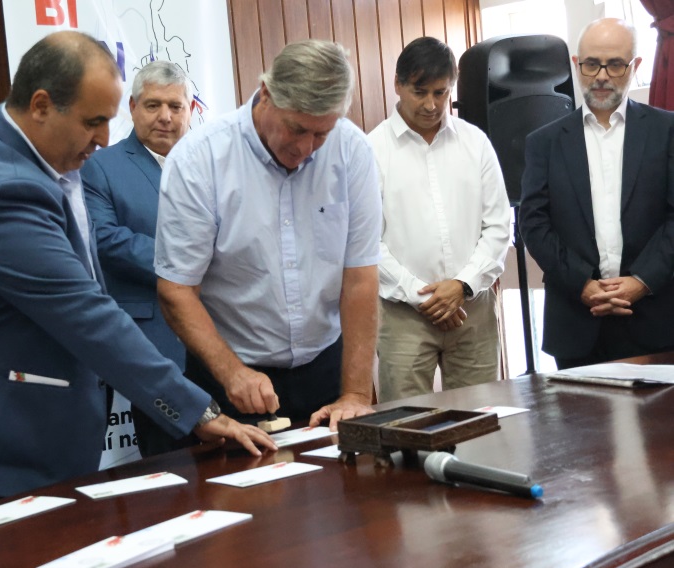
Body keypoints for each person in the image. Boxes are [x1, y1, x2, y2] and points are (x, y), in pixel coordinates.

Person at [0, 31, 275, 511]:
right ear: (41, 105)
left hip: (39, 434)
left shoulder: (31, 153)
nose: (104, 139)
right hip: (4, 447)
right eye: (94, 122)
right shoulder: (2, 191)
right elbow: (87, 314)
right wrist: (194, 410)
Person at [155, 40, 381, 431]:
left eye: (321, 134)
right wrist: (232, 373)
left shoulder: (352, 150)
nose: (306, 148)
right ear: (265, 94)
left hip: (325, 365)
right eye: (297, 128)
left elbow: (360, 279)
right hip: (229, 371)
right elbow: (176, 290)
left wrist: (356, 394)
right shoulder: (200, 160)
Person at [520, 18, 674, 369]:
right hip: (576, 319)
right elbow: (534, 224)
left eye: (615, 64)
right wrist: (583, 284)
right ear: (576, 65)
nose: (601, 75)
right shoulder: (543, 142)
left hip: (655, 319)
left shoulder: (668, 131)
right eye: (591, 64)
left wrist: (642, 280)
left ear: (634, 66)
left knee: (660, 426)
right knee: (580, 424)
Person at [367, 37, 510, 402]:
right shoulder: (371, 151)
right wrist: (423, 297)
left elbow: (497, 227)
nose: (431, 104)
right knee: (406, 427)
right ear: (397, 85)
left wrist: (461, 286)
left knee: (480, 424)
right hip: (402, 315)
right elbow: (365, 242)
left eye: (441, 93)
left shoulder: (475, 143)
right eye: (420, 92)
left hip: (472, 307)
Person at [82, 60, 191, 457]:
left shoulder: (208, 165)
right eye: (153, 105)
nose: (165, 117)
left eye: (175, 106)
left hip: (219, 334)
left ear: (190, 110)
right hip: (151, 336)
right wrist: (191, 263)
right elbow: (107, 240)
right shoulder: (100, 166)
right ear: (131, 108)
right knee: (168, 464)